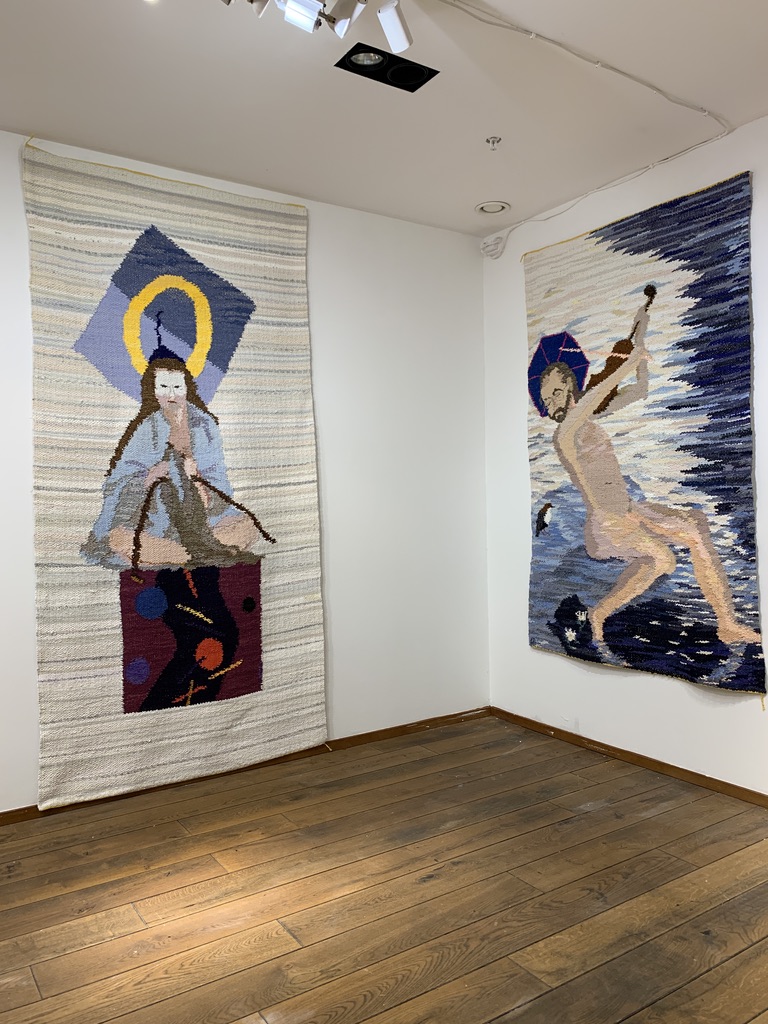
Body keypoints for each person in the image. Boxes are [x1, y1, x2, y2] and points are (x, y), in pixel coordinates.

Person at [538, 299, 760, 647]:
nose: (551, 402)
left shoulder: (588, 419)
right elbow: (599, 391)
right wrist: (628, 361)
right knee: (663, 558)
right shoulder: (564, 434)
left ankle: (727, 624)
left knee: (695, 524)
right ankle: (600, 613)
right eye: (545, 398)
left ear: (570, 387)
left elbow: (639, 390)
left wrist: (640, 339)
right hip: (607, 525)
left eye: (556, 392)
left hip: (630, 511)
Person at [82, 355, 272, 569]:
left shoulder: (206, 425)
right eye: (164, 387)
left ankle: (185, 552)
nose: (171, 395)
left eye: (177, 387)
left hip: (204, 520)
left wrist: (197, 479)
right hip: (157, 521)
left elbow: (219, 480)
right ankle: (198, 552)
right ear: (153, 391)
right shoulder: (146, 428)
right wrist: (150, 477)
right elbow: (117, 482)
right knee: (119, 539)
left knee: (248, 527)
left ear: (187, 388)